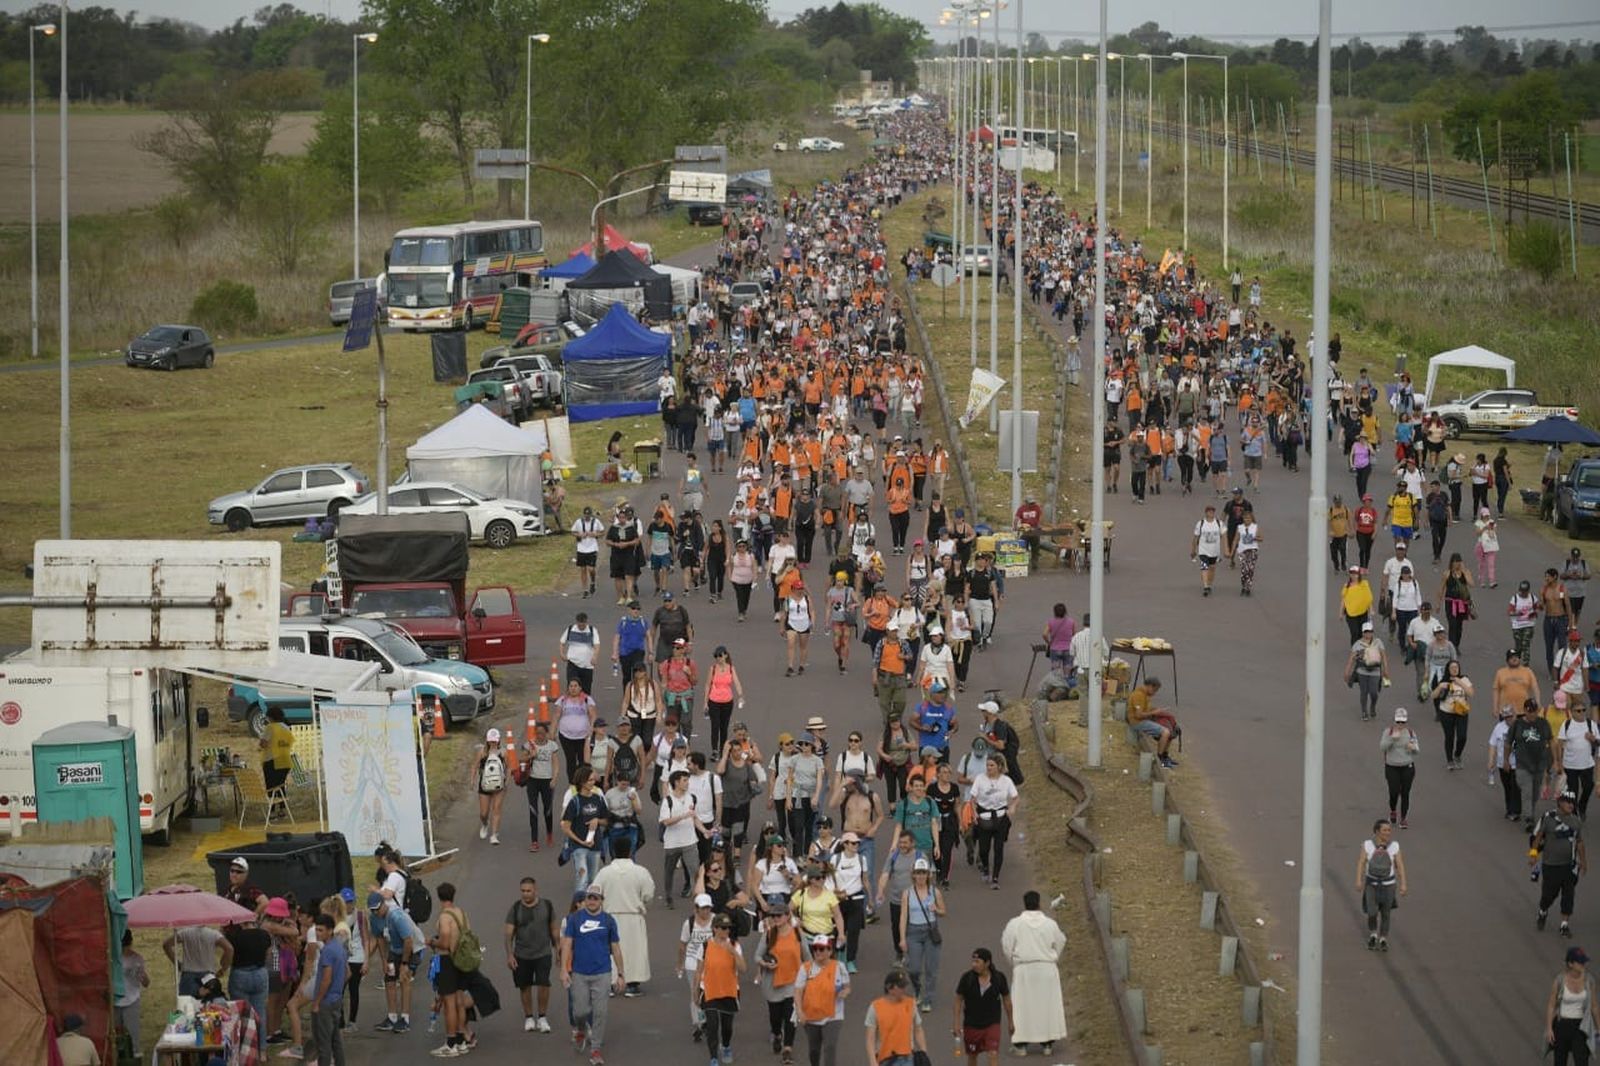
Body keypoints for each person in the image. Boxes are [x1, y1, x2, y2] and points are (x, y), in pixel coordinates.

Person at [562, 884, 626, 1066]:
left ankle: (595, 1049)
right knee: (580, 1011)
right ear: (585, 900)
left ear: (601, 901)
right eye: (589, 897)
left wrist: (621, 973)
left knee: (600, 1012)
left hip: (602, 973)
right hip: (579, 973)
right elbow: (567, 944)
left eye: (595, 898)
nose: (591, 901)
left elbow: (615, 948)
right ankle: (581, 1028)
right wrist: (563, 971)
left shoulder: (609, 921)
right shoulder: (575, 919)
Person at [1000, 890, 1067, 1055]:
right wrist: (1052, 958)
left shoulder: (1015, 924)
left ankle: (1021, 1044)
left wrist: (1014, 962)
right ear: (1038, 904)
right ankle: (1047, 1043)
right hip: (1046, 968)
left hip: (1024, 969)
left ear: (1025, 904)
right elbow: (1060, 941)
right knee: (1046, 1005)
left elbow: (1007, 944)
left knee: (1023, 1007)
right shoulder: (1049, 924)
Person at [589, 836, 656, 997]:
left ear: (612, 851)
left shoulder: (605, 873)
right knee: (634, 950)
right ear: (630, 851)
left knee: (610, 950)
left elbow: (594, 892)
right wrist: (642, 904)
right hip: (633, 916)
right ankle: (632, 984)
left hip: (610, 916)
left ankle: (611, 983)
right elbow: (649, 894)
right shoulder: (640, 872)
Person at [504, 877, 558, 1034]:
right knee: (524, 986)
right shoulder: (515, 908)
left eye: (528, 891)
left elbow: (554, 929)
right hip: (522, 954)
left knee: (543, 984)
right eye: (523, 891)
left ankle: (542, 1017)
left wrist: (558, 949)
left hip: (543, 953)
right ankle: (529, 1017)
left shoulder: (546, 906)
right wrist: (510, 955)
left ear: (535, 890)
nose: (525, 894)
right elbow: (508, 934)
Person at [1534, 790, 1588, 939]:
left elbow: (1580, 842)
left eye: (1573, 803)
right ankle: (1543, 911)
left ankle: (1564, 925)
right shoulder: (1549, 818)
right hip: (1550, 864)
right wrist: (1533, 855)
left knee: (1568, 895)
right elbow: (1538, 837)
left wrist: (1583, 862)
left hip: (1569, 865)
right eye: (1568, 802)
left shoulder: (1576, 821)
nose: (1571, 805)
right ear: (1560, 803)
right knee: (1549, 895)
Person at [697, 912, 747, 1066]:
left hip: (729, 991)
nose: (726, 931)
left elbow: (743, 968)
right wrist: (694, 992)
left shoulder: (735, 946)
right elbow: (699, 971)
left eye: (728, 928)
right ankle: (713, 1057)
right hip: (709, 990)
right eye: (723, 928)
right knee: (712, 1026)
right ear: (715, 929)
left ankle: (725, 1046)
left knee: (727, 1026)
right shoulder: (705, 945)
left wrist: (732, 952)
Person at [368, 892, 422, 1034]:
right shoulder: (374, 918)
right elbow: (379, 938)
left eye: (377, 909)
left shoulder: (396, 916)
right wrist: (384, 960)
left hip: (409, 949)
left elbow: (408, 941)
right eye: (372, 910)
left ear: (384, 904)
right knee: (389, 980)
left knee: (404, 980)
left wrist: (404, 964)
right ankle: (392, 1017)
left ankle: (405, 1019)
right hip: (394, 949)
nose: (375, 912)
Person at [757, 911, 805, 1064]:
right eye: (773, 916)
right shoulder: (769, 935)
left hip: (793, 983)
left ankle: (787, 1049)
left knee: (791, 1016)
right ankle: (777, 1034)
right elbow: (757, 956)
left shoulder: (797, 934)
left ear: (787, 917)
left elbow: (808, 957)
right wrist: (764, 963)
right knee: (775, 1017)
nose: (776, 919)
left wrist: (809, 977)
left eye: (779, 916)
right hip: (773, 983)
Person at [952, 947, 1013, 1066]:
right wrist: (956, 1023)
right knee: (972, 1057)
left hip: (992, 1024)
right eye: (973, 961)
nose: (973, 965)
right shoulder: (967, 978)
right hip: (972, 1026)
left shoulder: (999, 978)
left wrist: (1011, 1021)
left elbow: (1007, 1000)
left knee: (993, 1054)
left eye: (977, 962)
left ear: (987, 963)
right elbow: (958, 1000)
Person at [899, 857, 944, 1014]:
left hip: (930, 931)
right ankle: (917, 989)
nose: (920, 876)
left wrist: (936, 910)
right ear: (913, 875)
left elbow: (943, 911)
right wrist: (903, 938)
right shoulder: (907, 893)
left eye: (923, 873)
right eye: (918, 873)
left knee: (931, 969)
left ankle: (928, 999)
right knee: (914, 969)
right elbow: (903, 916)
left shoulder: (934, 892)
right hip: (913, 932)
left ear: (928, 875)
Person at [969, 753, 1020, 890]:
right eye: (987, 765)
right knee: (984, 850)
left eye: (991, 765)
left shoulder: (1006, 781)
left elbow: (1015, 797)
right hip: (984, 818)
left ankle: (995, 877)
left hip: (1000, 817)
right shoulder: (980, 779)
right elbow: (973, 799)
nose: (988, 768)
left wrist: (1012, 807)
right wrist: (974, 812)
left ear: (999, 766)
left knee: (999, 848)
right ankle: (985, 867)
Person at [1355, 819, 1407, 952]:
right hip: (1371, 884)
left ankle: (1383, 938)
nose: (1387, 833)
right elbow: (1361, 862)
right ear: (1377, 831)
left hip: (1389, 884)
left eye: (1389, 830)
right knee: (1372, 912)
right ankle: (1373, 934)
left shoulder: (1394, 846)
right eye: (1384, 830)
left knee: (1386, 913)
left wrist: (1403, 884)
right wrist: (1359, 880)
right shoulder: (1367, 845)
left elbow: (1399, 865)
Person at [1546, 946, 1600, 1066]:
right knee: (1560, 1062)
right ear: (1570, 964)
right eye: (1580, 962)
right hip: (1562, 1026)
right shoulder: (1559, 980)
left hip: (1581, 1027)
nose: (1584, 964)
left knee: (1582, 1061)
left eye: (1584, 961)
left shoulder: (1589, 981)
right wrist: (1549, 1028)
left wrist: (1598, 1028)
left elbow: (1594, 1007)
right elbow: (1551, 1005)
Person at [561, 766, 610, 893]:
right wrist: (580, 841)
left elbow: (607, 820)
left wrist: (597, 821)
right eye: (590, 780)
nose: (593, 783)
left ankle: (590, 908)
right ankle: (579, 907)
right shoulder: (574, 801)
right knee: (582, 877)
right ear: (582, 782)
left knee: (593, 879)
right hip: (579, 846)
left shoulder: (598, 798)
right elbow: (565, 827)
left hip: (595, 845)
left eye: (593, 780)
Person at [309, 912, 348, 1066]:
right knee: (336, 1040)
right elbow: (347, 973)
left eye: (321, 930)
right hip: (336, 1000)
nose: (317, 933)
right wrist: (337, 990)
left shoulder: (327, 951)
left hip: (325, 1002)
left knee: (323, 1044)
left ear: (330, 931)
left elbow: (326, 978)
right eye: (316, 930)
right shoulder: (339, 948)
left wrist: (317, 1002)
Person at [864, 968, 927, 1066]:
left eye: (904, 986)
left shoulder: (911, 1004)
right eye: (900, 986)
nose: (904, 989)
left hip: (908, 1058)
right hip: (885, 1059)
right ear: (889, 988)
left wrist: (923, 1052)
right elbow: (870, 1038)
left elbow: (918, 1029)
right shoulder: (875, 1007)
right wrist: (872, 1061)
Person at [164, 922, 233, 998]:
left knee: (186, 1005)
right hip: (208, 977)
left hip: (188, 976)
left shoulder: (185, 932)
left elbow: (166, 944)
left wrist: (177, 963)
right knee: (208, 1007)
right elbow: (229, 949)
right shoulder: (214, 934)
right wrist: (223, 968)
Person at [1556, 699, 1600, 818]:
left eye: (1584, 710)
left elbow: (1598, 744)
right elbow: (1559, 745)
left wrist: (1593, 739)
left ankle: (1582, 806)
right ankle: (1574, 812)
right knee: (1572, 791)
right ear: (1572, 712)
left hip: (1587, 764)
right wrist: (1559, 764)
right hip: (1570, 764)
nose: (1581, 713)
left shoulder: (1591, 724)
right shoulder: (1567, 724)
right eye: (1578, 711)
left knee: (1588, 786)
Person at [473, 727, 516, 845]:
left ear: (498, 740)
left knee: (496, 809)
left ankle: (494, 835)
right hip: (484, 785)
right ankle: (485, 824)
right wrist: (472, 781)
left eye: (495, 740)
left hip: (499, 785)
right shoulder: (482, 752)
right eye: (491, 740)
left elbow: (509, 767)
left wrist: (507, 782)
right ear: (487, 740)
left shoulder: (503, 752)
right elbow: (475, 766)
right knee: (484, 813)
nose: (493, 742)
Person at [1380, 708, 1420, 827]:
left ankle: (1403, 818)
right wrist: (1392, 739)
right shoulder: (1388, 732)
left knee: (1405, 793)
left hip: (1407, 766)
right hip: (1392, 766)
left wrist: (1412, 748)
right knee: (1394, 791)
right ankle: (1393, 810)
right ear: (1394, 721)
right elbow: (1382, 747)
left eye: (1403, 722)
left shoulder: (1411, 733)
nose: (1400, 725)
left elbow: (1417, 750)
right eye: (1398, 722)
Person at [1127, 678, 1180, 768]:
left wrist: (1157, 710)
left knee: (1171, 729)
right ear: (1150, 686)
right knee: (1165, 732)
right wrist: (1153, 713)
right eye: (1155, 690)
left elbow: (1146, 709)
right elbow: (1138, 715)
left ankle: (1165, 755)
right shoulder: (1138, 695)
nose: (1155, 693)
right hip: (1137, 722)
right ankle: (1159, 758)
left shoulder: (1145, 695)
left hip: (1145, 719)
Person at [1344, 621, 1390, 722]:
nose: (1368, 634)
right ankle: (1364, 712)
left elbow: (1384, 656)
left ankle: (1373, 706)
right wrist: (1347, 671)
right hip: (1362, 671)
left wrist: (1386, 669)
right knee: (1363, 692)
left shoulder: (1378, 642)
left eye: (1370, 631)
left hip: (1375, 670)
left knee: (1374, 692)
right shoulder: (1357, 644)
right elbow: (1351, 659)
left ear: (1373, 632)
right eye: (1366, 632)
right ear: (1363, 632)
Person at [115, 929, 149, 1054]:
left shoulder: (137, 958)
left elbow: (146, 983)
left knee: (133, 1036)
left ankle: (134, 1058)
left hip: (132, 1000)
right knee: (116, 1037)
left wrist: (143, 975)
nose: (126, 949)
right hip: (116, 1000)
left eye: (127, 945)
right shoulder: (113, 958)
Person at [1191, 504, 1226, 596]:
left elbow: (1224, 536)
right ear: (1206, 513)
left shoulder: (1219, 523)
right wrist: (1193, 550)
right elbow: (1195, 538)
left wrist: (1226, 548)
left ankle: (1209, 584)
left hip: (1214, 551)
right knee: (1204, 567)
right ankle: (1205, 586)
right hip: (1203, 550)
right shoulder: (1201, 523)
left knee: (1212, 568)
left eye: (1212, 511)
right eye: (1209, 511)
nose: (1211, 513)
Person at [1230, 507, 1262, 596]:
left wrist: (1255, 538)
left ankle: (1248, 587)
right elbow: (1235, 540)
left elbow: (1261, 538)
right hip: (1242, 550)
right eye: (1245, 518)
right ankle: (1243, 586)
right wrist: (1232, 551)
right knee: (1244, 569)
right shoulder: (1240, 527)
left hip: (1252, 549)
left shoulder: (1255, 527)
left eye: (1248, 518)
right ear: (1243, 519)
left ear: (1251, 519)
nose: (1247, 520)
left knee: (1250, 569)